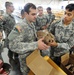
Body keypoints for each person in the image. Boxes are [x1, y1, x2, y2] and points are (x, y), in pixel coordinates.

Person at [8, 3, 49, 75]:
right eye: (33, 14)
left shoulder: (31, 24)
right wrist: (36, 45)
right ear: (26, 14)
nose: (36, 16)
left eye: (36, 14)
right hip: (26, 62)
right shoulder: (20, 26)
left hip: (34, 58)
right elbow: (12, 45)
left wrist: (39, 40)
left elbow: (31, 39)